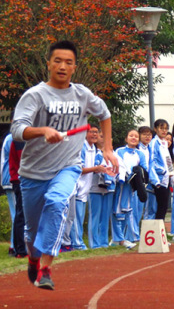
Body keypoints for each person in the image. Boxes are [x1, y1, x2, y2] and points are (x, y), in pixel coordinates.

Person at [11, 40, 118, 290]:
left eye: (68, 62)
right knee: (32, 230)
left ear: (74, 67)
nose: (62, 66)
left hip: (68, 166)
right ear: (48, 64)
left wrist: (108, 148)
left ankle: (46, 269)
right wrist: (42, 131)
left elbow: (104, 114)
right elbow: (17, 130)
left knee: (58, 202)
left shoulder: (82, 94)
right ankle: (34, 257)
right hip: (33, 173)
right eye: (57, 61)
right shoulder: (35, 95)